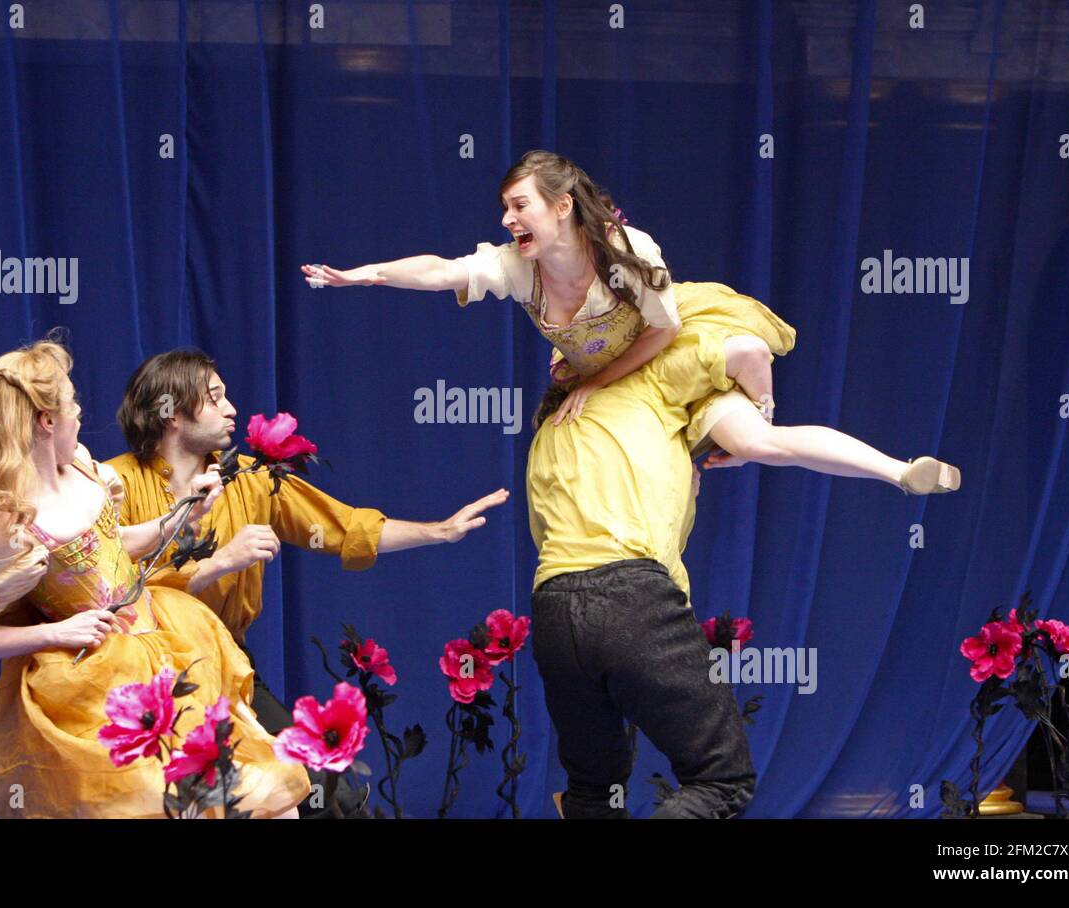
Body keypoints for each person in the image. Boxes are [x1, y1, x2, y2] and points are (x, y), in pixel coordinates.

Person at [301, 149, 960, 495]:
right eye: (503, 207)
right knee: (756, 446)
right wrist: (364, 275)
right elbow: (441, 270)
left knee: (748, 367)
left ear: (561, 207)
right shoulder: (516, 266)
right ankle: (744, 435)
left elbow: (666, 331)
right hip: (612, 378)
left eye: (519, 205)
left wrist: (598, 381)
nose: (507, 219)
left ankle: (894, 470)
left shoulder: (626, 252)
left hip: (659, 353)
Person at [106, 348, 509, 817]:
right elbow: (114, 593)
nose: (232, 408)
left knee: (319, 785)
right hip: (142, 681)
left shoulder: (250, 480)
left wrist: (438, 531)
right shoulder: (114, 484)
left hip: (227, 665)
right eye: (214, 398)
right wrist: (217, 563)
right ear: (170, 411)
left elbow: (344, 528)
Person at [0, 337, 309, 819]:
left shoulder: (85, 471)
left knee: (258, 794)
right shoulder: (13, 523)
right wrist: (56, 632)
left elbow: (111, 545)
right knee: (159, 806)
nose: (80, 412)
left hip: (169, 641)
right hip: (101, 681)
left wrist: (178, 517)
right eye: (72, 403)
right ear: (47, 422)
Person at [526, 337, 756, 819]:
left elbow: (548, 534)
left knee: (593, 789)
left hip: (554, 607)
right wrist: (761, 415)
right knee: (721, 778)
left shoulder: (548, 433)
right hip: (630, 593)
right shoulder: (648, 384)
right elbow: (749, 349)